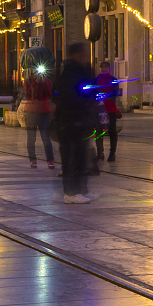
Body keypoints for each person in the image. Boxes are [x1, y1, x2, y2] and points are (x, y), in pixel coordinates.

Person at [54, 42, 99, 203]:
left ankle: (82, 190)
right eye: (82, 54)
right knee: (71, 157)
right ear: (75, 55)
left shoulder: (82, 70)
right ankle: (70, 193)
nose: (84, 57)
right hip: (70, 120)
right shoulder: (68, 72)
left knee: (81, 156)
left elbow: (91, 89)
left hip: (81, 119)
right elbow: (69, 95)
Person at [22, 66, 55, 167]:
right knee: (31, 138)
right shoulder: (28, 81)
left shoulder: (47, 80)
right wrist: (35, 82)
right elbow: (27, 93)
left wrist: (43, 82)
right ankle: (33, 159)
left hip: (43, 111)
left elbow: (49, 93)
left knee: (46, 137)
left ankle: (50, 160)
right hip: (31, 112)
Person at [96, 62, 121, 162]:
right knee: (98, 132)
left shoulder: (113, 79)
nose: (104, 69)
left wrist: (105, 97)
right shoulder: (96, 79)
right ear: (100, 68)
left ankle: (112, 153)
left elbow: (115, 93)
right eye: (102, 67)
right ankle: (100, 153)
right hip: (99, 109)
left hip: (110, 109)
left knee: (112, 131)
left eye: (106, 67)